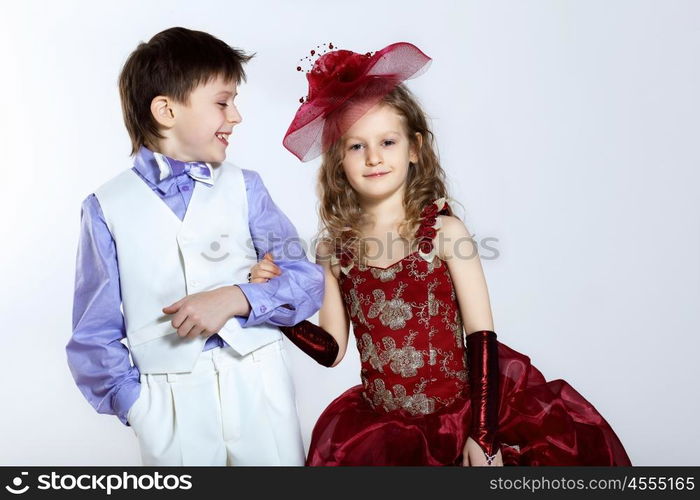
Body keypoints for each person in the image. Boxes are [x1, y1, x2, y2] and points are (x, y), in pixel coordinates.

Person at [249, 42, 632, 466]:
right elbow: (332, 349)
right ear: (338, 161)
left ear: (414, 148)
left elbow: (481, 337)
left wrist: (484, 437)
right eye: (356, 147)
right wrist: (275, 308)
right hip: (382, 430)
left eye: (387, 142)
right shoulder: (335, 251)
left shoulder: (446, 233)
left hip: (463, 419)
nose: (374, 157)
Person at [66, 27, 324, 466]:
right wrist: (139, 406)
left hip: (259, 383)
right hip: (170, 404)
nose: (236, 116)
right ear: (166, 110)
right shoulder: (105, 208)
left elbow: (306, 280)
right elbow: (94, 334)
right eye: (223, 102)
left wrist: (237, 296)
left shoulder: (247, 188)